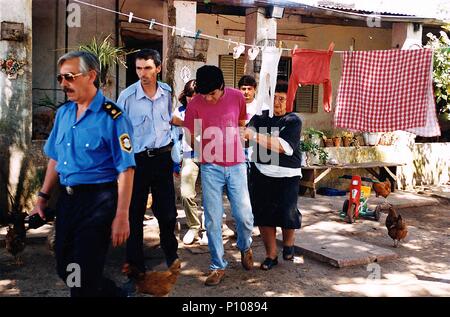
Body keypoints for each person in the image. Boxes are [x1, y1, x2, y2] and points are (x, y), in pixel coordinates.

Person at [31, 51, 135, 297]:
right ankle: (116, 295)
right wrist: (42, 198)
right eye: (60, 78)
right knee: (65, 267)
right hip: (67, 202)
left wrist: (122, 215)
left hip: (98, 201)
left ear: (91, 76)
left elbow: (126, 169)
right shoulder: (65, 114)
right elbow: (55, 158)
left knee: (82, 275)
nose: (64, 84)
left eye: (69, 77)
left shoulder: (114, 117)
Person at [184, 65, 254, 286]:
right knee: (213, 219)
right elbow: (189, 135)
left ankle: (245, 245)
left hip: (237, 165)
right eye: (205, 94)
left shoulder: (236, 97)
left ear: (222, 87)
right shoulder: (195, 103)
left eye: (212, 94)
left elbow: (242, 123)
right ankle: (217, 265)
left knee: (244, 216)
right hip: (210, 166)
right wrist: (201, 145)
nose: (209, 98)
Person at [117, 49, 179, 275]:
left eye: (148, 68)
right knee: (134, 212)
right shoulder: (127, 97)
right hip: (137, 162)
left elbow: (170, 119)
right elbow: (120, 131)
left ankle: (171, 254)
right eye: (138, 68)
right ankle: (135, 262)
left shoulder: (167, 92)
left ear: (158, 68)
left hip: (162, 159)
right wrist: (123, 163)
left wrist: (190, 123)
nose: (142, 73)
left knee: (167, 212)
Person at [243, 81, 303, 270]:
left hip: (288, 174)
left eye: (282, 99)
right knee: (264, 215)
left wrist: (255, 137)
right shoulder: (260, 117)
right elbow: (247, 133)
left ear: (289, 100)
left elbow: (284, 147)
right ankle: (271, 255)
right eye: (274, 98)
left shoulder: (293, 120)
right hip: (261, 172)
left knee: (288, 212)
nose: (277, 103)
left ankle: (288, 245)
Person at [172, 80, 207, 245]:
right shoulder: (179, 112)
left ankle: (209, 229)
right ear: (185, 96)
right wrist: (174, 162)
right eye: (189, 97)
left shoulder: (210, 110)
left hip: (209, 156)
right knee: (186, 194)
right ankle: (194, 227)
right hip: (188, 155)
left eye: (196, 97)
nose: (192, 100)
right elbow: (174, 138)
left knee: (210, 196)